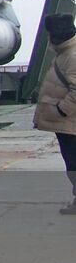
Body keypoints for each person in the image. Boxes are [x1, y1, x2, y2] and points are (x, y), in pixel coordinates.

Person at [33, 13, 76, 214]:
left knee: (73, 163)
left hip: (70, 122)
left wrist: (61, 110)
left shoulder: (72, 55)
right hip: (67, 123)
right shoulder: (65, 52)